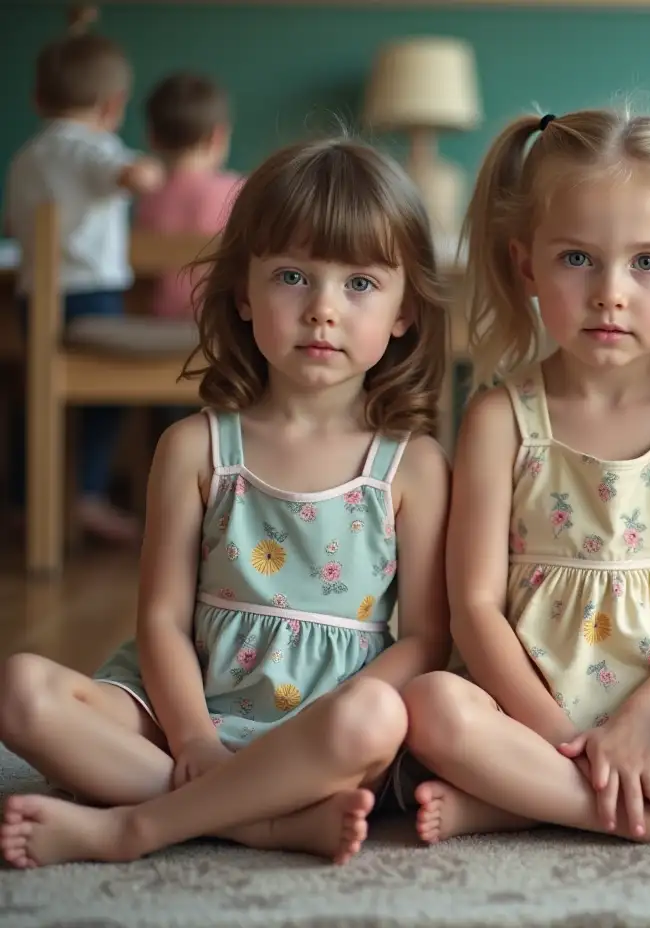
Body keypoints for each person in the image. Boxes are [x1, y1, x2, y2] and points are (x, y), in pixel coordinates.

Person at [0, 136, 453, 868]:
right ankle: (262, 822)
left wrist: (326, 723)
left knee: (374, 718)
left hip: (324, 725)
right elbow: (159, 619)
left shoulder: (414, 467)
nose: (323, 310)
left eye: (361, 284)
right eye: (292, 277)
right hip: (185, 705)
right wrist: (194, 741)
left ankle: (136, 826)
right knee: (20, 689)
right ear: (243, 292)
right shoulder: (194, 448)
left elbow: (425, 641)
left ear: (406, 311)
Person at [401, 108, 650, 846]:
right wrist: (564, 736)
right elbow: (474, 607)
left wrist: (641, 720)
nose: (610, 292)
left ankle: (520, 804)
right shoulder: (499, 418)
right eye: (577, 259)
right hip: (527, 716)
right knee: (431, 705)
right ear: (527, 265)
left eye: (647, 262)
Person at [3, 25, 165, 543]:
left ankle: (24, 503)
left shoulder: (27, 157)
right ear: (113, 104)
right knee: (107, 396)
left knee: (35, 397)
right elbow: (130, 176)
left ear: (36, 98)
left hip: (35, 297)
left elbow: (12, 227)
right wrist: (149, 172)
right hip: (91, 296)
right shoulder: (93, 146)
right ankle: (90, 495)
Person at [136, 71, 243, 320]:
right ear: (218, 137)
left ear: (152, 138)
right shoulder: (239, 191)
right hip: (219, 321)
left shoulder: (147, 197)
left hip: (159, 321)